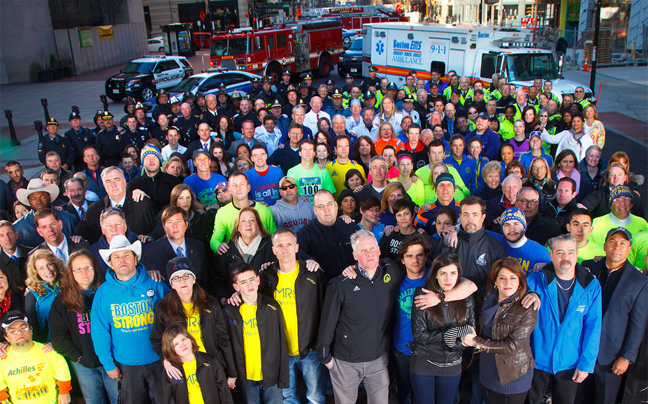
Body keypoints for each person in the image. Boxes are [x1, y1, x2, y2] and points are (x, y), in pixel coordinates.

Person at [318, 229, 403, 404]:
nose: (369, 253)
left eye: (372, 248)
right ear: (355, 255)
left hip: (378, 360)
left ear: (379, 250)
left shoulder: (392, 271)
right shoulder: (341, 284)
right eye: (363, 250)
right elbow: (327, 323)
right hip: (345, 361)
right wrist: (325, 357)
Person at [91, 235, 169, 404]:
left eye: (127, 255)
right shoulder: (103, 293)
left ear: (136, 259)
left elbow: (173, 321)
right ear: (110, 263)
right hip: (127, 365)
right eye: (116, 257)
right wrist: (108, 364)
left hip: (161, 360)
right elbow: (99, 332)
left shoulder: (155, 284)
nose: (122, 260)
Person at [526, 235, 602, 404]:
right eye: (560, 252)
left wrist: (586, 365)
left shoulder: (591, 285)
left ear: (576, 254)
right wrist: (530, 293)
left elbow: (593, 328)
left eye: (570, 252)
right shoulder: (535, 280)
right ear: (551, 255)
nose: (566, 257)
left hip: (569, 363)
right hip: (536, 361)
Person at [575, 228, 648, 404]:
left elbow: (638, 324)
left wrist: (627, 356)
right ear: (605, 245)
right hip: (580, 350)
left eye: (623, 243)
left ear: (629, 249)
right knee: (576, 398)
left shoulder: (639, 281)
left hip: (611, 357)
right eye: (613, 241)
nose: (617, 246)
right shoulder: (587, 267)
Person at [257, 229, 327, 404]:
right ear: (273, 250)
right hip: (281, 351)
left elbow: (325, 310)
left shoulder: (313, 273)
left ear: (296, 247)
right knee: (288, 397)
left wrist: (318, 343)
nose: (284, 249)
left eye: (289, 244)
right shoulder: (266, 277)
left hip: (309, 349)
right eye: (280, 245)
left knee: (315, 397)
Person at [461, 258, 538, 404]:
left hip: (512, 378)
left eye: (512, 278)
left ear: (520, 281)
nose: (507, 283)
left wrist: (476, 342)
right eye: (502, 278)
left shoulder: (527, 308)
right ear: (495, 282)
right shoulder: (486, 298)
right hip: (487, 374)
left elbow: (512, 346)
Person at [150, 257, 237, 385]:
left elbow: (223, 339)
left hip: (211, 365)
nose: (182, 281)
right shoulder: (163, 307)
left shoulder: (211, 304)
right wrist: (165, 360)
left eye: (186, 276)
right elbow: (156, 339)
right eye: (176, 278)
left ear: (194, 279)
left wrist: (232, 372)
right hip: (183, 370)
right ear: (172, 284)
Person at [49, 250, 119, 404]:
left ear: (95, 268)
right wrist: (78, 357)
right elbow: (58, 336)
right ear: (71, 273)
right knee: (94, 401)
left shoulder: (108, 293)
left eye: (88, 267)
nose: (84, 273)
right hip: (84, 364)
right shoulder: (62, 301)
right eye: (78, 269)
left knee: (118, 399)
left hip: (112, 360)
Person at [409, 252, 476, 404]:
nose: (448, 279)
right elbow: (419, 335)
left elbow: (471, 332)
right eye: (443, 273)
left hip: (451, 364)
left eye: (453, 273)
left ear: (459, 274)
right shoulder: (423, 294)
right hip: (424, 362)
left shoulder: (466, 297)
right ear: (436, 275)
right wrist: (451, 335)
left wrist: (456, 342)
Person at [222, 263, 289, 404]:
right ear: (236, 287)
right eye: (243, 282)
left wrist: (283, 375)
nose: (249, 285)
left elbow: (281, 343)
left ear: (258, 280)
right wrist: (232, 373)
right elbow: (226, 344)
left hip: (271, 373)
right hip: (246, 375)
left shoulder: (272, 306)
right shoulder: (230, 311)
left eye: (252, 279)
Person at [0, 311, 72, 404]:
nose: (19, 333)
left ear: (31, 330)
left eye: (23, 328)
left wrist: (64, 392)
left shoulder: (47, 350)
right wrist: (3, 399)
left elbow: (62, 370)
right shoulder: (3, 358)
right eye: (12, 331)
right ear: (6, 337)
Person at [73, 167, 158, 245]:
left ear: (124, 182)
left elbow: (157, 225)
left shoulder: (143, 204)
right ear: (104, 186)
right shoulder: (95, 209)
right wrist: (79, 235)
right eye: (108, 181)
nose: (113, 185)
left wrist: (151, 236)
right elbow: (83, 228)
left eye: (116, 180)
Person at [160, 324, 234, 404]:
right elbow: (169, 398)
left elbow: (224, 392)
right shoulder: (171, 370)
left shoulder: (210, 361)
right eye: (176, 344)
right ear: (170, 349)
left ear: (190, 339)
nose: (182, 345)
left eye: (184, 339)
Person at [140, 206, 209, 288]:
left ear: (186, 224)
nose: (175, 226)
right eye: (170, 222)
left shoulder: (198, 247)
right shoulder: (151, 251)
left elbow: (206, 280)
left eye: (179, 221)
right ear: (164, 226)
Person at [297, 190, 359, 280]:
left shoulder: (351, 227)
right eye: (321, 206)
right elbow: (297, 252)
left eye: (329, 204)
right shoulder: (305, 233)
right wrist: (307, 259)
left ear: (335, 205)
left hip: (353, 285)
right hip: (325, 288)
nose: (326, 209)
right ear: (315, 210)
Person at [209, 172, 276, 255]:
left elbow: (274, 236)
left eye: (242, 184)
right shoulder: (222, 213)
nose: (238, 188)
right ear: (229, 190)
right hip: (236, 259)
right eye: (234, 185)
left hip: (262, 259)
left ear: (248, 188)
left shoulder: (264, 210)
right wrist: (218, 246)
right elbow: (215, 239)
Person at [219, 207, 276, 293]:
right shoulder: (228, 250)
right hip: (236, 300)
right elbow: (219, 279)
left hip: (265, 299)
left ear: (259, 226)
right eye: (243, 221)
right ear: (237, 227)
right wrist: (222, 297)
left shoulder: (271, 246)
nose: (248, 224)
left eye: (252, 220)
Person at [13, 179, 79, 248]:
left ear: (49, 197)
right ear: (28, 201)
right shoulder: (19, 228)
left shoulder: (69, 219)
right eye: (33, 198)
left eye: (43, 197)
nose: (39, 202)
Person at [490, 208, 551, 273]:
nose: (512, 229)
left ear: (524, 227)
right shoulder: (495, 240)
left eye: (516, 224)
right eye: (507, 225)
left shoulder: (541, 253)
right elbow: (479, 231)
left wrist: (548, 267)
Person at [25, 249, 62, 342]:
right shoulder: (32, 294)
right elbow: (33, 327)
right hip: (48, 345)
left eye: (49, 264)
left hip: (72, 342)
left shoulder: (68, 285)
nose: (48, 270)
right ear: (36, 272)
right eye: (41, 268)